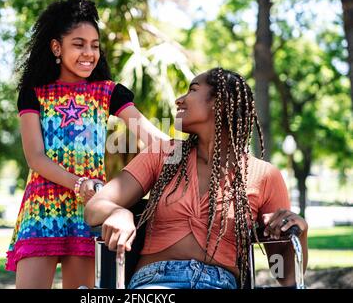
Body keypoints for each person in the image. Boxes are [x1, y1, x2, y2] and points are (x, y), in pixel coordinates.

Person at [85, 67, 309, 289]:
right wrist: (118, 211)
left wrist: (301, 232)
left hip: (220, 283)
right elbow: (94, 207)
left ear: (219, 102)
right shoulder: (164, 154)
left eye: (192, 90)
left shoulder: (264, 175)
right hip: (156, 282)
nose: (179, 100)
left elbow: (284, 276)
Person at [5, 0, 169, 289]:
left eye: (94, 46)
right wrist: (80, 184)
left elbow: (151, 135)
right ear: (57, 47)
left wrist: (188, 146)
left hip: (90, 210)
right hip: (42, 208)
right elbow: (35, 158)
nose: (89, 53)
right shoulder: (34, 94)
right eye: (78, 44)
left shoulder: (109, 92)